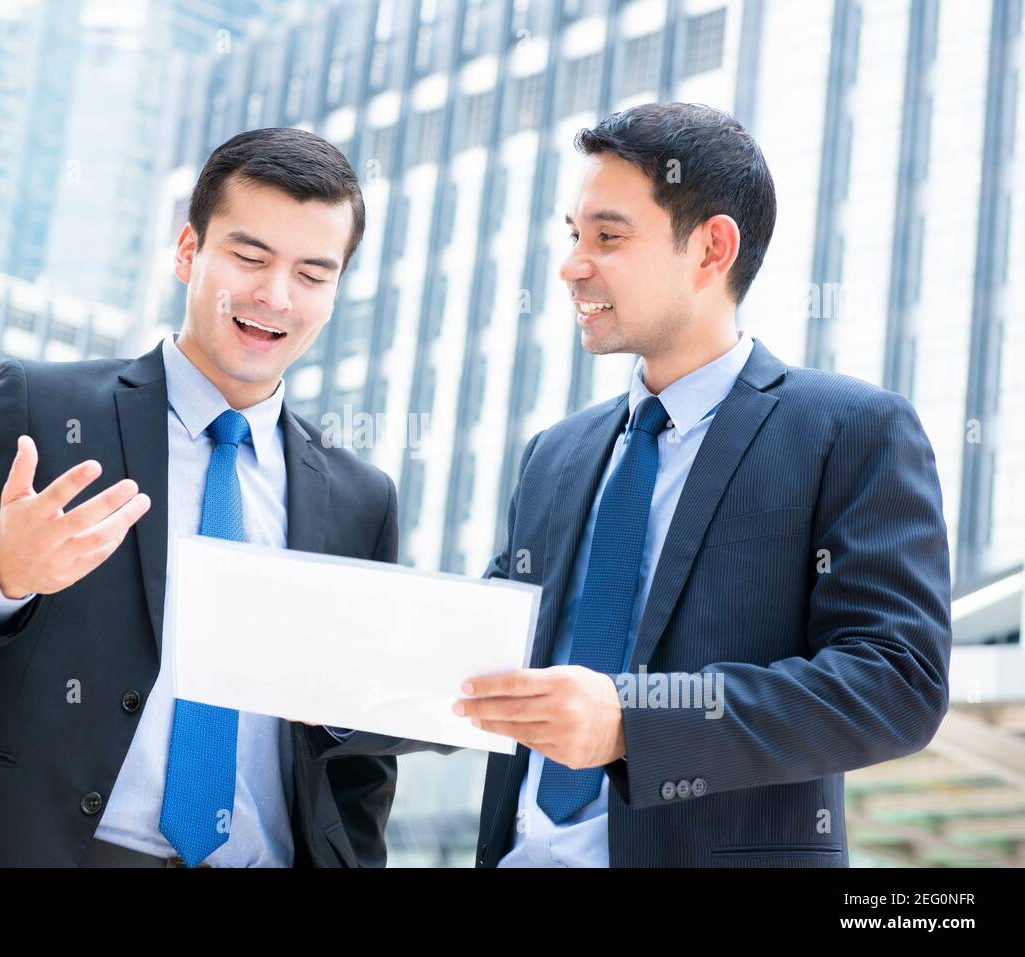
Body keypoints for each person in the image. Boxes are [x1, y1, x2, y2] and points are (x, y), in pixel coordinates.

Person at [310, 102, 952, 868]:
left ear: (712, 248)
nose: (573, 264)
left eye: (608, 237)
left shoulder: (850, 429)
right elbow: (489, 661)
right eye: (573, 235)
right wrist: (333, 687)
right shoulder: (556, 454)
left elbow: (896, 678)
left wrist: (633, 722)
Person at [0, 127, 400, 867]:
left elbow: (358, 770)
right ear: (187, 252)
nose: (276, 295)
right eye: (249, 256)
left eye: (313, 272)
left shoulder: (361, 501)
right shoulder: (43, 411)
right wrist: (1, 572)